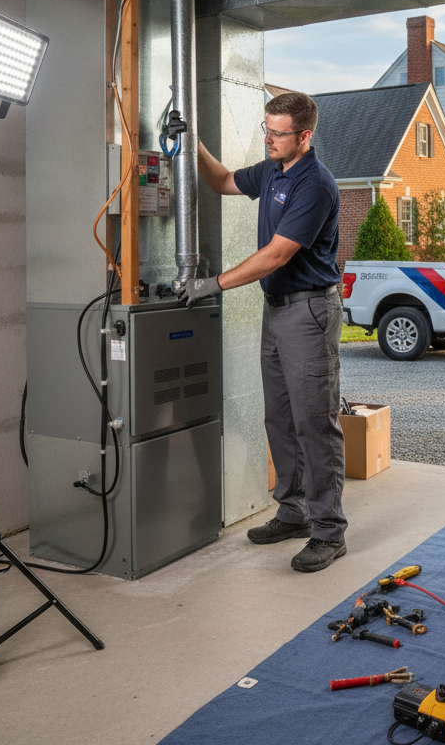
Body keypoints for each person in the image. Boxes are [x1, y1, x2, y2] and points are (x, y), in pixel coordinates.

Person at [180, 92, 347, 573]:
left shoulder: (315, 184)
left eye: (277, 133)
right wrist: (193, 141)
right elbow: (223, 181)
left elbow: (276, 254)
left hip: (309, 311)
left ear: (304, 136)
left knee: (314, 421)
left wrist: (212, 284)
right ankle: (293, 512)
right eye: (266, 130)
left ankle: (329, 530)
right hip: (277, 311)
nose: (269, 139)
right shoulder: (273, 168)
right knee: (279, 416)